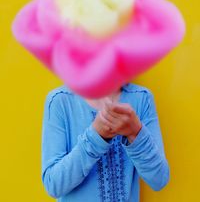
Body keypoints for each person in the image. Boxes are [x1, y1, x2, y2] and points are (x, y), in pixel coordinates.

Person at [41, 82, 170, 202]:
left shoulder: (141, 98)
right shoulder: (60, 101)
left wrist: (135, 132)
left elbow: (159, 179)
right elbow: (53, 185)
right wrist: (96, 137)